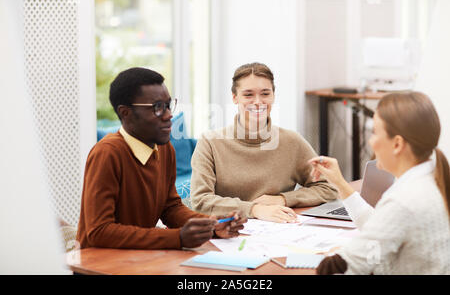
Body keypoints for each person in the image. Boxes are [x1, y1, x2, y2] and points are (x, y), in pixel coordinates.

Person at [76, 67, 246, 250]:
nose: (168, 115)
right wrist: (177, 238)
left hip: (140, 259)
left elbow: (170, 208)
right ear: (125, 113)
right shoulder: (107, 154)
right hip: (99, 265)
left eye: (168, 105)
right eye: (157, 108)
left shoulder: (165, 149)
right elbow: (99, 232)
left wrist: (212, 225)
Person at [311, 91, 450, 274]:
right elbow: (380, 226)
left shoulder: (404, 201)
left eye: (375, 132)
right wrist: (339, 183)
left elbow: (348, 267)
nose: (371, 142)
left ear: (397, 144)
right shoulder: (430, 180)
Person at [190, 62, 338, 223]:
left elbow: (328, 188)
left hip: (278, 229)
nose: (258, 102)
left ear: (273, 96)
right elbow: (200, 201)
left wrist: (283, 199)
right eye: (248, 95)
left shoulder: (292, 141)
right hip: (228, 231)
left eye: (265, 94)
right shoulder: (210, 143)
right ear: (235, 97)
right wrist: (254, 209)